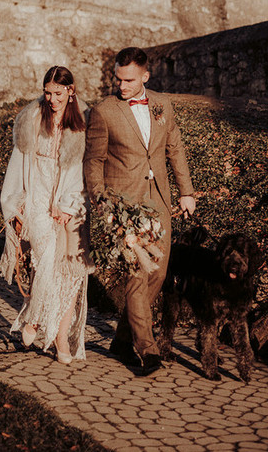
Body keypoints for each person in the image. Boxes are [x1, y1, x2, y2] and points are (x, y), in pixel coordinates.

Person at [84, 46, 195, 376]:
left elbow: (175, 148)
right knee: (137, 273)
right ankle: (147, 350)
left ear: (145, 76)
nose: (121, 85)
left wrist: (186, 192)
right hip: (124, 205)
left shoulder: (163, 104)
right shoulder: (103, 111)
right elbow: (93, 161)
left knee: (157, 273)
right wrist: (101, 200)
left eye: (129, 80)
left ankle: (121, 340)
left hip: (159, 200)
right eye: (117, 79)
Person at [0, 66, 93, 364]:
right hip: (37, 201)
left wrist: (67, 205)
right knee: (48, 257)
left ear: (70, 90)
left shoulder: (82, 122)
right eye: (48, 93)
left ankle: (57, 335)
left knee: (70, 273)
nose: (52, 99)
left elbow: (82, 171)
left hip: (70, 201)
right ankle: (36, 319)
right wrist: (15, 202)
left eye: (58, 93)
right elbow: (18, 164)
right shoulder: (32, 118)